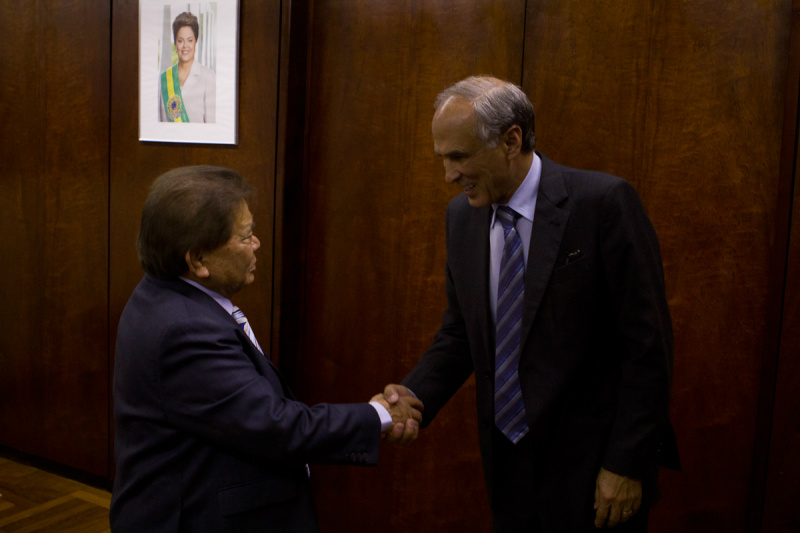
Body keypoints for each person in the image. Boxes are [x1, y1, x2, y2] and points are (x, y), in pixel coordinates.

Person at [381, 76, 678, 532]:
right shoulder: (461, 217)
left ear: (511, 139)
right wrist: (412, 396)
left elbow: (647, 347)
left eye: (459, 157)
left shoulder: (602, 204)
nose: (448, 176)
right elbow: (461, 333)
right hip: (508, 469)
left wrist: (627, 463)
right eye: (443, 159)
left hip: (598, 475)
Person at [110, 166, 422, 532]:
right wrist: (379, 415)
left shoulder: (162, 293)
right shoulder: (185, 329)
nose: (257, 244)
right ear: (197, 260)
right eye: (245, 236)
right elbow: (275, 425)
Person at [158, 12, 216, 123]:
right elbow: (161, 125)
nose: (185, 46)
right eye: (180, 41)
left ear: (196, 42)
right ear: (175, 43)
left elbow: (211, 126)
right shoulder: (164, 79)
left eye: (190, 40)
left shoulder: (208, 76)